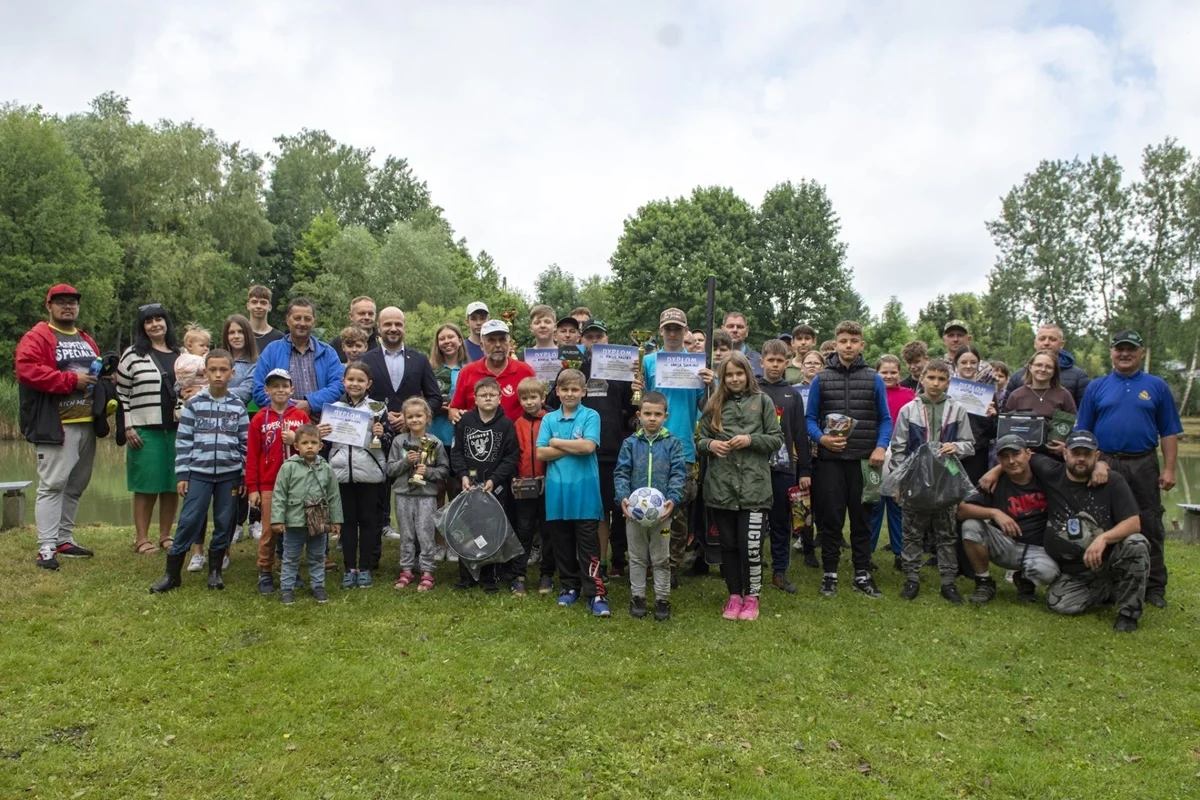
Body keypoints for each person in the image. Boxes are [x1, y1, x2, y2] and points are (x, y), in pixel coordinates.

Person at [1074, 330, 1181, 609]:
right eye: (1119, 349)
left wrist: (1169, 469)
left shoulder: (1156, 386)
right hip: (1106, 461)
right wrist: (1095, 461)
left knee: (1149, 523)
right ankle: (1108, 581)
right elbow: (1083, 431)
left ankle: (1154, 587)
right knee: (1102, 522)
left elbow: (1169, 431)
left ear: (1141, 352)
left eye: (1130, 349)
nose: (1124, 354)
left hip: (1143, 462)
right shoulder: (1097, 387)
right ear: (1111, 352)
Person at [804, 320, 893, 599]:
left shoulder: (873, 378)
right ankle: (830, 573)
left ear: (862, 344)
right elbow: (809, 419)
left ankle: (862, 574)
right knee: (830, 520)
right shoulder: (821, 379)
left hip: (865, 462)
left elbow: (886, 419)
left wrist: (880, 447)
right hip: (830, 462)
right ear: (836, 343)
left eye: (854, 341)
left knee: (862, 519)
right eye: (843, 341)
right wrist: (822, 439)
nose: (848, 346)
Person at [149, 350, 249, 594]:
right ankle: (172, 574)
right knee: (189, 519)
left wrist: (244, 473)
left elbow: (244, 442)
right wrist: (183, 473)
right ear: (205, 372)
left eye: (223, 370)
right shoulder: (194, 404)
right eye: (213, 369)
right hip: (199, 473)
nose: (218, 375)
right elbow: (184, 441)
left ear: (231, 374)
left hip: (230, 474)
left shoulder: (238, 406)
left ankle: (215, 571)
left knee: (225, 522)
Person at [16, 283, 101, 569]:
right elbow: (28, 370)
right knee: (52, 484)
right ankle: (46, 547)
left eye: (73, 302)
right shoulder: (37, 336)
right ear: (49, 306)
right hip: (55, 423)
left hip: (86, 422)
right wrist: (69, 381)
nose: (68, 306)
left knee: (76, 484)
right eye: (61, 302)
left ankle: (64, 538)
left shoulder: (86, 339)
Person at [698, 353, 783, 621]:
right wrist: (711, 445)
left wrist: (750, 439)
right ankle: (734, 595)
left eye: (739, 373)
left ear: (748, 374)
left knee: (751, 546)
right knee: (729, 545)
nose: (735, 379)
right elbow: (699, 438)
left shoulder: (763, 401)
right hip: (721, 488)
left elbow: (777, 439)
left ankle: (752, 596)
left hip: (754, 488)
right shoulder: (713, 404)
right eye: (729, 375)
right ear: (722, 378)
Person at [888, 358, 975, 603]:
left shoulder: (957, 409)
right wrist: (899, 482)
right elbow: (898, 449)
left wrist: (956, 446)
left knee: (946, 533)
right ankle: (912, 578)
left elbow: (970, 444)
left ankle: (948, 581)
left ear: (948, 382)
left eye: (942, 379)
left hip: (946, 479)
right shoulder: (909, 410)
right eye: (931, 378)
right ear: (922, 378)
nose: (936, 383)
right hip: (915, 479)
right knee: (912, 532)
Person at [641, 308, 715, 587]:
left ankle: (671, 565)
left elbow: (706, 408)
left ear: (685, 332)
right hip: (650, 444)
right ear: (661, 331)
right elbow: (642, 401)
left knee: (678, 509)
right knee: (648, 503)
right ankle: (649, 563)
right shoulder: (647, 362)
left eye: (677, 328)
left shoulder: (698, 364)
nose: (672, 333)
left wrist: (711, 384)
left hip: (683, 445)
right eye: (668, 328)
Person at [537, 369, 609, 616]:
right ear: (557, 391)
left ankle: (596, 592)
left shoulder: (591, 415)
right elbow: (540, 453)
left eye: (574, 389)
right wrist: (571, 447)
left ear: (584, 392)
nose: (569, 394)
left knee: (588, 546)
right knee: (562, 544)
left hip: (585, 493)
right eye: (564, 389)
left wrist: (556, 443)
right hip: (557, 494)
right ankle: (569, 587)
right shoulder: (549, 419)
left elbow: (588, 446)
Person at [567, 318, 635, 578]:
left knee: (608, 509)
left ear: (607, 339)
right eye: (589, 337)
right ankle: (581, 560)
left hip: (611, 449)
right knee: (583, 510)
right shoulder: (575, 370)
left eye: (599, 336)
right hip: (577, 449)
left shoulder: (622, 369)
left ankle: (604, 562)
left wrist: (636, 390)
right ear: (582, 341)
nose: (595, 341)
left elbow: (632, 408)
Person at [958, 435, 1061, 605]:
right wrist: (994, 513)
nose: (1011, 461)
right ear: (999, 460)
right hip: (1004, 544)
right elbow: (961, 510)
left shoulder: (1045, 477)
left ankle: (1025, 581)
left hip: (1038, 547)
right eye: (1005, 457)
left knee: (1049, 572)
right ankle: (984, 583)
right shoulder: (993, 482)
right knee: (971, 525)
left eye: (1016, 454)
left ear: (1028, 454)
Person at [116, 303, 182, 556]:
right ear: (142, 327)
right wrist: (128, 426)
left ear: (167, 323)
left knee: (171, 484)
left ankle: (166, 534)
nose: (155, 324)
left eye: (159, 319)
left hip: (177, 429)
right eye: (149, 321)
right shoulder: (132, 355)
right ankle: (141, 538)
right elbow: (121, 393)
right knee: (146, 485)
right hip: (144, 429)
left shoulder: (180, 354)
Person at [614, 391, 686, 621]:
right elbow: (621, 473)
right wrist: (623, 497)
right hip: (634, 514)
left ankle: (662, 599)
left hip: (662, 514)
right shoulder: (630, 444)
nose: (652, 418)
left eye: (657, 414)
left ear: (665, 416)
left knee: (660, 557)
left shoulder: (673, 443)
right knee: (636, 557)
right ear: (639, 415)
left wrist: (672, 500)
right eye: (647, 414)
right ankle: (638, 597)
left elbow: (678, 474)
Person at [451, 377, 520, 592]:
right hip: (468, 486)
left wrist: (494, 479)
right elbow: (457, 451)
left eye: (492, 395)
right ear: (475, 399)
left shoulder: (506, 425)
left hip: (494, 488)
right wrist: (463, 475)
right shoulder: (465, 421)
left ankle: (489, 576)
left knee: (491, 531)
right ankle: (467, 575)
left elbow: (511, 457)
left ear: (500, 398)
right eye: (483, 395)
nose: (488, 398)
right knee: (467, 530)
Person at [246, 369, 311, 595]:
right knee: (269, 530)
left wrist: (296, 439)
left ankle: (289, 569)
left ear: (292, 389)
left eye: (284, 386)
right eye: (275, 386)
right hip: (269, 484)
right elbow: (252, 455)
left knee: (293, 527)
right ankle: (265, 570)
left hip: (296, 484)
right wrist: (252, 487)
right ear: (267, 390)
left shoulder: (300, 417)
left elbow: (311, 449)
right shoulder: (259, 419)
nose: (280, 390)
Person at [327, 361, 389, 589]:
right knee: (347, 521)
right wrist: (323, 433)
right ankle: (349, 568)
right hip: (341, 473)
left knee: (369, 521)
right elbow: (325, 446)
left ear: (368, 384)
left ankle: (365, 567)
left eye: (360, 380)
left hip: (370, 472)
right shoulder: (333, 409)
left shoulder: (378, 409)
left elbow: (389, 442)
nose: (355, 384)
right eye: (351, 379)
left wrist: (381, 435)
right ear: (343, 381)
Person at [758, 339, 813, 591]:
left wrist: (804, 470)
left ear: (786, 363)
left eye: (780, 361)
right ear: (762, 362)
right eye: (771, 360)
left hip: (784, 468)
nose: (775, 365)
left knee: (781, 522)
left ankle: (780, 571)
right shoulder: (754, 391)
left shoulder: (792, 394)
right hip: (755, 467)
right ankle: (754, 566)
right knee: (755, 522)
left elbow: (800, 434)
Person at [268, 424, 344, 605]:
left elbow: (334, 495)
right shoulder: (288, 468)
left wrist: (336, 520)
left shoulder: (326, 468)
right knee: (290, 557)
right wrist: (277, 519)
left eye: (313, 442)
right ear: (296, 446)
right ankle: (287, 588)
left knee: (318, 555)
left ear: (320, 446)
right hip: (294, 521)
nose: (309, 446)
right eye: (304, 443)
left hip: (318, 520)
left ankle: (318, 586)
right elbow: (279, 495)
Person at [388, 397, 450, 592]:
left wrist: (429, 472)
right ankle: (406, 569)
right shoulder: (399, 442)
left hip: (426, 496)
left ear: (427, 417)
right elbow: (390, 469)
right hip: (403, 495)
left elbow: (444, 470)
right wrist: (406, 462)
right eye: (410, 417)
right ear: (405, 419)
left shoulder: (435, 443)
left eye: (418, 416)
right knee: (406, 534)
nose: (414, 420)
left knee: (425, 534)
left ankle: (427, 571)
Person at [253, 298, 345, 419]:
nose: (302, 323)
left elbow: (339, 386)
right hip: (281, 422)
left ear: (314, 322)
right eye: (297, 318)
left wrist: (310, 403)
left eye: (307, 319)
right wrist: (290, 409)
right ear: (287, 320)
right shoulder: (271, 351)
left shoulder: (328, 353)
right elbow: (259, 390)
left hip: (321, 424)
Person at [871, 355, 916, 569]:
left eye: (893, 372)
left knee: (898, 508)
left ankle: (900, 554)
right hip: (876, 452)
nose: (889, 376)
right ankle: (867, 554)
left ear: (900, 373)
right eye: (884, 372)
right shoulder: (872, 392)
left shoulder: (909, 395)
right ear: (877, 373)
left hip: (901, 454)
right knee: (874, 506)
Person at [450, 320, 536, 422]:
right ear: (481, 345)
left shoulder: (525, 371)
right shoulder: (467, 372)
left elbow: (537, 406)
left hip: (517, 436)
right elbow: (453, 409)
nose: (498, 345)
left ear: (510, 343)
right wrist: (457, 415)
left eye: (502, 340)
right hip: (478, 436)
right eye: (491, 340)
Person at [511, 378, 550, 596]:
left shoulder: (551, 420)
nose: (528, 402)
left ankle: (547, 574)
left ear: (542, 398)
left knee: (548, 531)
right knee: (524, 530)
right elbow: (515, 454)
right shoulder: (517, 423)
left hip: (548, 485)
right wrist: (515, 478)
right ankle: (519, 575)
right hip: (524, 486)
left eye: (533, 397)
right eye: (524, 398)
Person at [1004, 350, 1077, 452]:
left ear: (1055, 371)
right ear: (1030, 367)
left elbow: (1074, 426)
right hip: (1021, 454)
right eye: (1038, 365)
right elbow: (1006, 426)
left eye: (1049, 367)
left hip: (1053, 454)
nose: (1043, 369)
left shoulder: (1064, 395)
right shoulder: (1016, 395)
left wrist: (1065, 446)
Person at [1006, 323, 1091, 406]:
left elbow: (1086, 411)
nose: (1046, 343)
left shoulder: (1079, 377)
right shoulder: (1018, 377)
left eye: (1052, 339)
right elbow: (1006, 412)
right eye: (1042, 339)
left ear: (1062, 344)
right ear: (1035, 343)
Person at [952, 346, 997, 485]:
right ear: (956, 364)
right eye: (963, 362)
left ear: (978, 365)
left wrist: (991, 417)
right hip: (951, 452)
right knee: (950, 488)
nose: (968, 366)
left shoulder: (987, 394)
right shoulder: (947, 390)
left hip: (976, 454)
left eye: (973, 362)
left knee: (971, 494)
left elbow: (994, 432)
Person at [221, 315, 259, 408]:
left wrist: (209, 392)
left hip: (236, 416)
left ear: (248, 334)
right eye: (232, 332)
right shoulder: (216, 359)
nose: (236, 336)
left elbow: (245, 393)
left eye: (241, 332)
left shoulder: (256, 363)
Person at [329, 296, 379, 362]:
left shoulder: (382, 342)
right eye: (362, 313)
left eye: (370, 314)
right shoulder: (337, 343)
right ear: (351, 316)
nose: (367, 317)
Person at [723, 311, 762, 377]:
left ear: (746, 331)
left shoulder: (759, 361)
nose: (735, 330)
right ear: (722, 329)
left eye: (739, 327)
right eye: (730, 326)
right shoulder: (711, 359)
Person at [246, 285, 284, 350]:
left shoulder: (279, 338)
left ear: (270, 307)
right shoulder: (239, 334)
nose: (258, 306)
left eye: (263, 303)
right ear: (248, 305)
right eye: (254, 302)